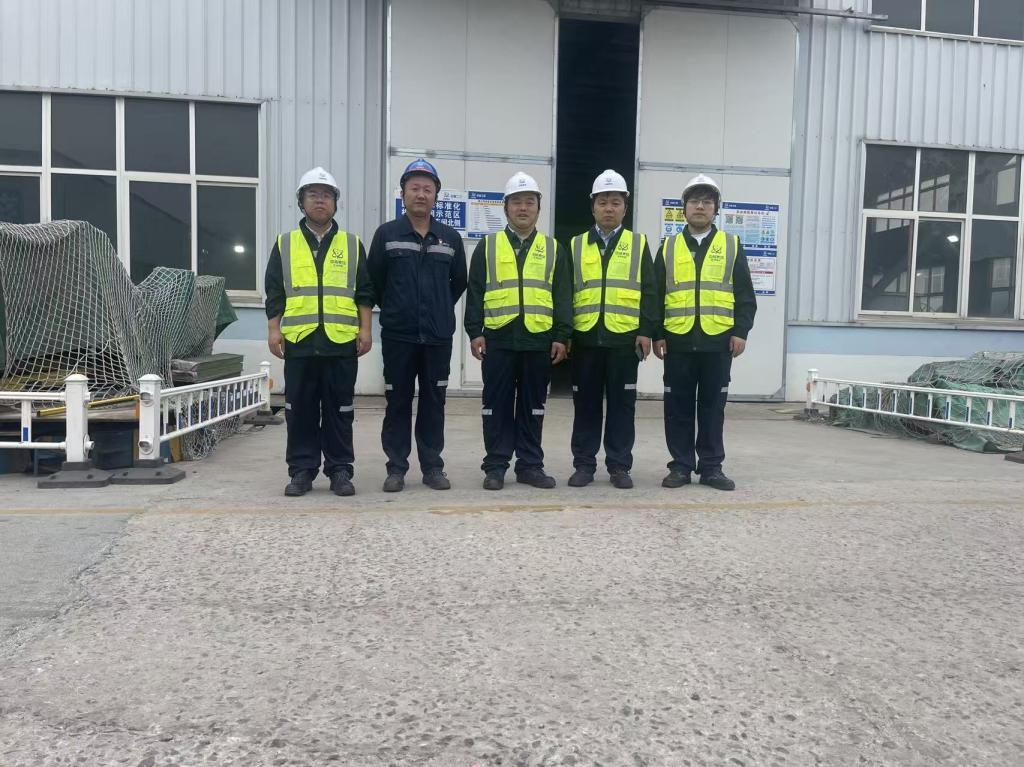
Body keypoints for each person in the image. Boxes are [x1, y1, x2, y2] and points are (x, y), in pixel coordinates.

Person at [265, 166, 374, 497]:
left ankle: (340, 470)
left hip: (340, 343)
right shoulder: (285, 244)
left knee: (341, 410)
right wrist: (273, 330)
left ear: (335, 203)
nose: (320, 201)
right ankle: (302, 471)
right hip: (300, 342)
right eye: (312, 195)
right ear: (301, 202)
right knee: (300, 411)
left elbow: (364, 292)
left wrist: (366, 329)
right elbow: (274, 291)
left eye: (326, 195)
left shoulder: (352, 244)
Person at [464, 172, 572, 490]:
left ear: (538, 208)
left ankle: (530, 465)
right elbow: (475, 292)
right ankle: (495, 466)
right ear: (506, 208)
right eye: (516, 202)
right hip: (498, 338)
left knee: (533, 406)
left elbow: (562, 295)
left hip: (538, 340)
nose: (523, 208)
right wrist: (474, 331)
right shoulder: (488, 247)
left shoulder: (553, 249)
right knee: (495, 405)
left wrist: (561, 336)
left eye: (529, 202)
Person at [367, 158, 467, 492]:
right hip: (399, 336)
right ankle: (396, 468)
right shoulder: (387, 234)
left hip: (438, 337)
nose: (421, 194)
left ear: (436, 195)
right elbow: (374, 281)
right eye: (414, 188)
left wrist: (438, 308)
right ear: (403, 193)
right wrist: (397, 308)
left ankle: (432, 467)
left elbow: (458, 282)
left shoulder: (449, 238)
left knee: (434, 402)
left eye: (427, 189)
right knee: (397, 402)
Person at [653, 174, 756, 491]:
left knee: (712, 408)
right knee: (678, 408)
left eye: (707, 202)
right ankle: (681, 466)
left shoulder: (731, 245)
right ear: (684, 208)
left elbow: (745, 295)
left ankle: (711, 468)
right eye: (694, 201)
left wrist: (741, 331)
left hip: (718, 342)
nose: (700, 206)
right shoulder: (668, 247)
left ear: (716, 209)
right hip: (678, 342)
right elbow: (655, 295)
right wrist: (657, 334)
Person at [567, 169, 659, 489]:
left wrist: (646, 330)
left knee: (622, 407)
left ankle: (619, 466)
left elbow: (650, 291)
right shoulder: (576, 245)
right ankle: (584, 465)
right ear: (593, 207)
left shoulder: (638, 244)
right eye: (603, 202)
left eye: (615, 202)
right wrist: (566, 334)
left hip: (624, 340)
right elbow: (565, 293)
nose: (609, 208)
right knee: (586, 406)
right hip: (586, 338)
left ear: (625, 208)